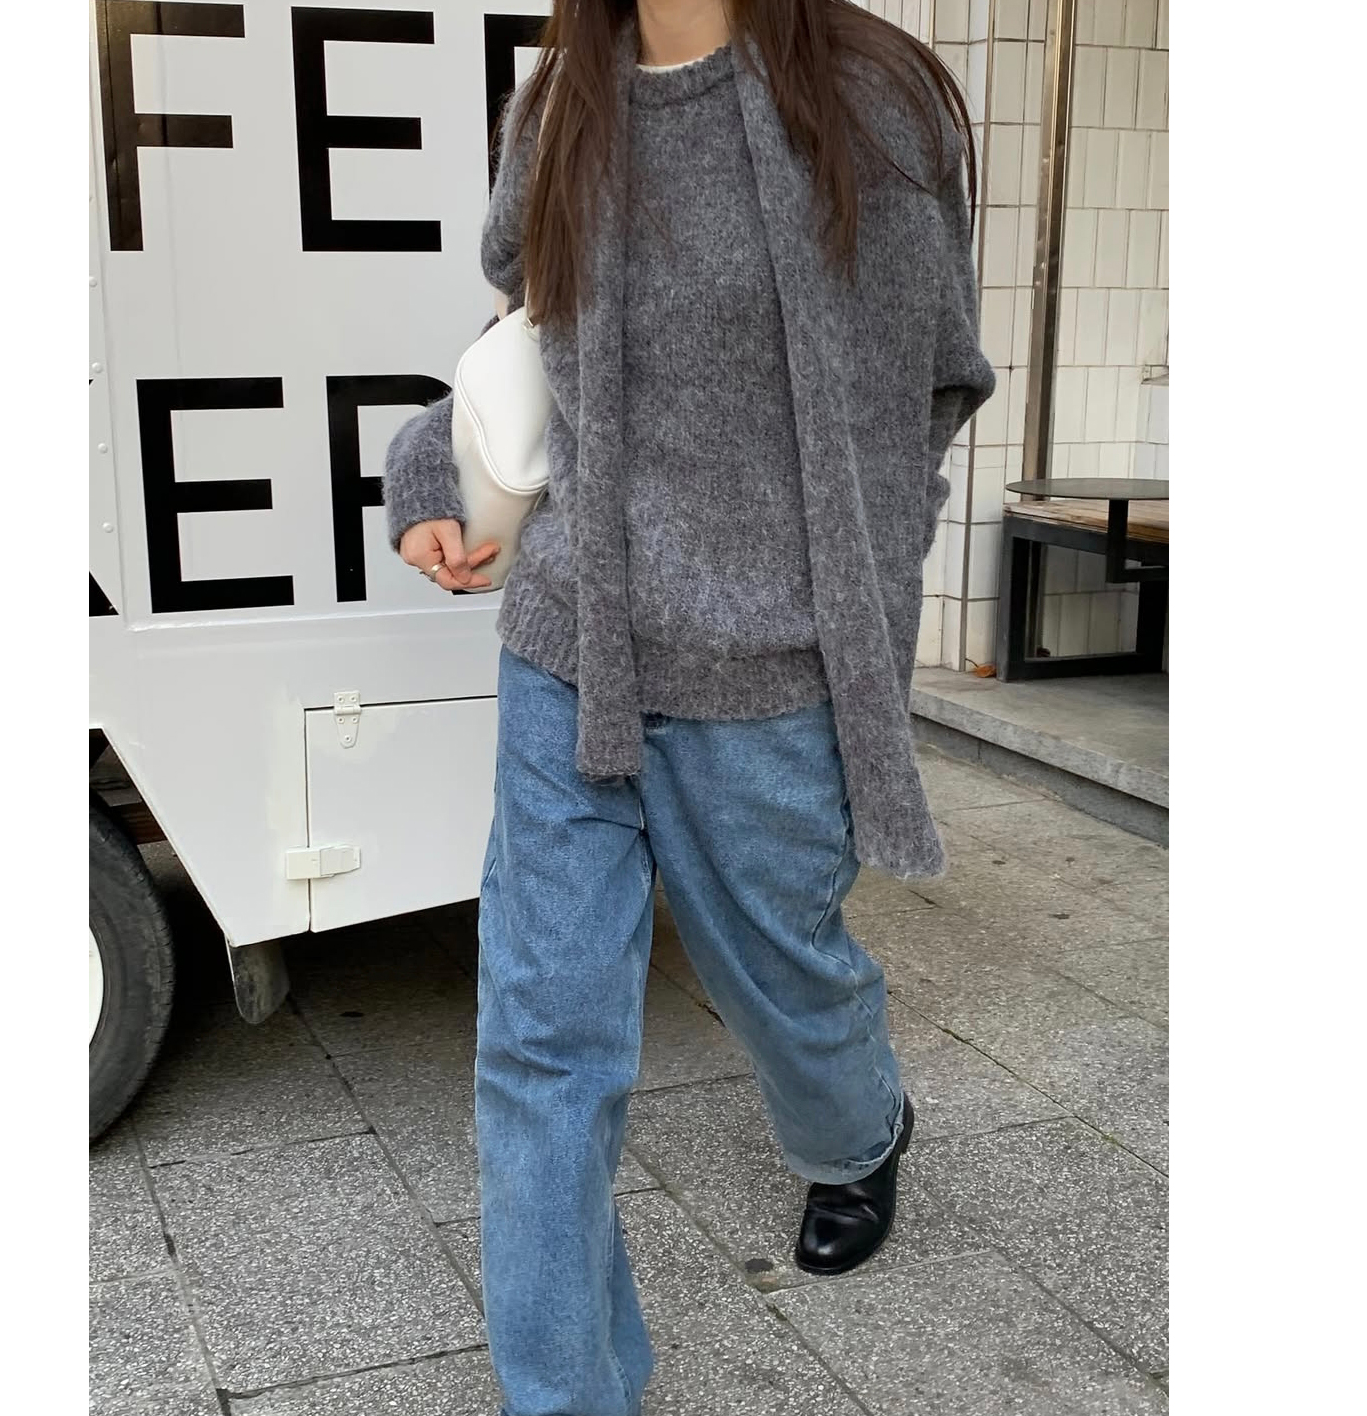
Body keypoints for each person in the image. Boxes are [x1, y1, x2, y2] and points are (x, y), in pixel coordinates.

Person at [384, 0, 994, 1410]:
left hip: (770, 675)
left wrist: (854, 621)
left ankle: (857, 1136)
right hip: (569, 651)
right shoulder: (559, 102)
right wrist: (431, 464)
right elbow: (525, 333)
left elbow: (931, 385)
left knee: (784, 978)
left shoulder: (875, 103)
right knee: (539, 1051)